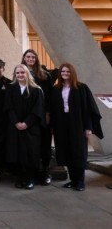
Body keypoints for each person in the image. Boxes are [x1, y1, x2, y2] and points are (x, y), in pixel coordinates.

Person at [49, 63, 103, 191]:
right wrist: (52, 126)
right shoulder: (56, 89)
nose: (65, 73)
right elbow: (53, 109)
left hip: (78, 123)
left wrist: (88, 127)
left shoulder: (81, 88)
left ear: (72, 73)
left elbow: (88, 109)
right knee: (66, 151)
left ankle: (80, 181)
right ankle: (73, 180)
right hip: (61, 124)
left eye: (67, 71)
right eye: (62, 72)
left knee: (78, 152)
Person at [3, 65, 45, 189]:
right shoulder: (11, 88)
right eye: (17, 73)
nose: (20, 75)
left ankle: (30, 178)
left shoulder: (36, 90)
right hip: (15, 127)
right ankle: (20, 178)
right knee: (17, 153)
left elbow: (37, 109)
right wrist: (16, 123)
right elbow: (8, 107)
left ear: (27, 74)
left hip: (31, 128)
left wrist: (26, 123)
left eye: (22, 72)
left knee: (30, 154)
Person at [22, 49, 53, 185]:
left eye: (33, 57)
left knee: (44, 144)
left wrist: (47, 113)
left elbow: (50, 96)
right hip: (27, 117)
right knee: (31, 146)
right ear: (24, 58)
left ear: (36, 59)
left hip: (42, 115)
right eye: (28, 57)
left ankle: (45, 171)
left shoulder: (44, 76)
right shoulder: (20, 74)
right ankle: (31, 172)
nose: (30, 59)